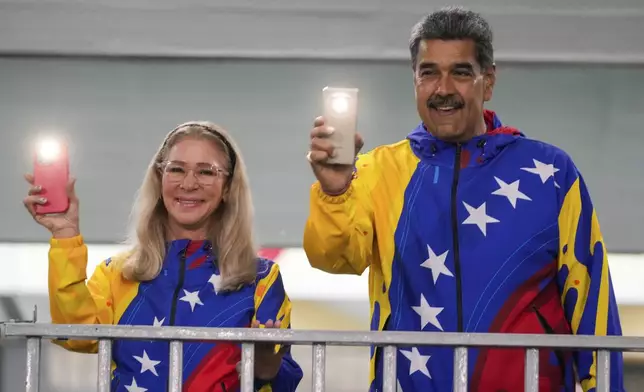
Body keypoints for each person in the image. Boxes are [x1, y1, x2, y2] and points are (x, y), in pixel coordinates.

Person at [303, 6, 624, 392]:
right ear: (415, 81)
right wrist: (335, 191)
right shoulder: (376, 170)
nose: (443, 89)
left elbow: (592, 303)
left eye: (460, 72)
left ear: (487, 82)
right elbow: (335, 259)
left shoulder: (551, 171)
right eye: (429, 73)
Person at [23, 121, 303, 392]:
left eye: (206, 172)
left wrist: (267, 368)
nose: (189, 183)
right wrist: (65, 235)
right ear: (159, 180)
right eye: (177, 169)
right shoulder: (116, 274)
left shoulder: (261, 278)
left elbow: (286, 379)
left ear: (228, 187)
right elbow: (75, 334)